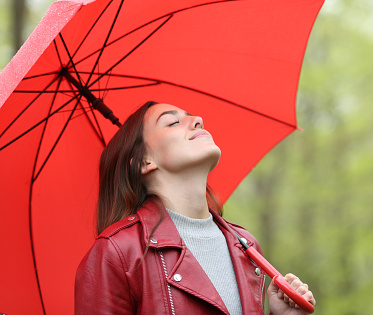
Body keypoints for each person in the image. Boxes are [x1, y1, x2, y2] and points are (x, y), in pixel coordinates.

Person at [75, 101, 315, 314]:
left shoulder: (246, 246)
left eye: (191, 116)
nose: (198, 120)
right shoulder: (118, 253)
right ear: (145, 162)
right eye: (172, 122)